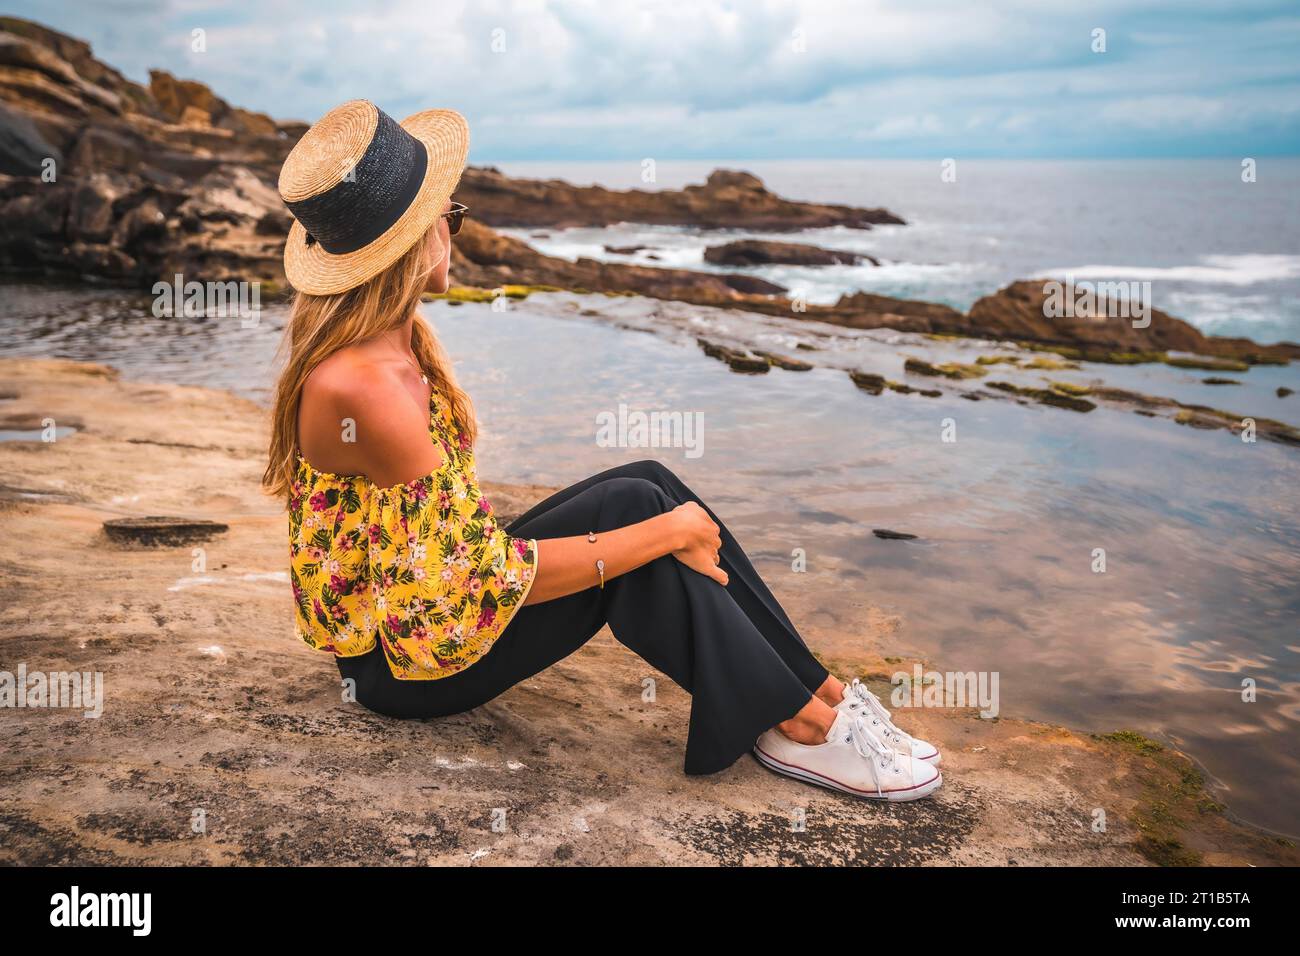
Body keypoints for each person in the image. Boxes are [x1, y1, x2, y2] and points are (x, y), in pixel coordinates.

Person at [263, 100, 942, 800]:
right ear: (412, 241)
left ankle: (819, 691)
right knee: (644, 544)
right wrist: (664, 536)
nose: (454, 228)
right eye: (451, 216)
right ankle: (797, 726)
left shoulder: (394, 342)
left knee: (646, 485)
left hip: (423, 610)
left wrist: (662, 524)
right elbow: (472, 579)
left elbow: (449, 551)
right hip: (401, 668)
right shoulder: (365, 387)